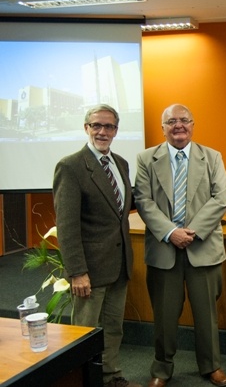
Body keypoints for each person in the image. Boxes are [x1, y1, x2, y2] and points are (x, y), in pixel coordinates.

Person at [134, 104, 226, 387]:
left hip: (204, 249)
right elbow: (143, 200)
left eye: (184, 120)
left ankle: (211, 366)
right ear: (163, 126)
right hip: (164, 250)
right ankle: (161, 369)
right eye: (171, 121)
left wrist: (193, 232)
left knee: (206, 315)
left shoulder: (212, 157)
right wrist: (171, 232)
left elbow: (220, 198)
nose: (178, 125)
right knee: (164, 316)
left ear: (193, 124)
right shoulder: (146, 158)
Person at [53, 104, 140, 387]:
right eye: (96, 126)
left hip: (119, 265)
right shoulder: (71, 166)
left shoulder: (122, 164)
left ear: (116, 130)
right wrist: (76, 271)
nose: (103, 131)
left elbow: (121, 212)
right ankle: (82, 381)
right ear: (86, 128)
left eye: (109, 127)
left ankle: (111, 376)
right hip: (89, 270)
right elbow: (66, 226)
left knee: (114, 328)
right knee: (84, 332)